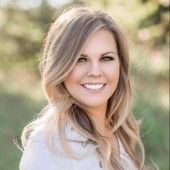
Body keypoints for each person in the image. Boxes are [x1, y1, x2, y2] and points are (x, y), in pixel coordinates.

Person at [19, 6, 147, 170]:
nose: (95, 72)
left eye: (106, 58)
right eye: (80, 59)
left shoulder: (120, 130)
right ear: (61, 66)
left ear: (120, 65)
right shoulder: (46, 146)